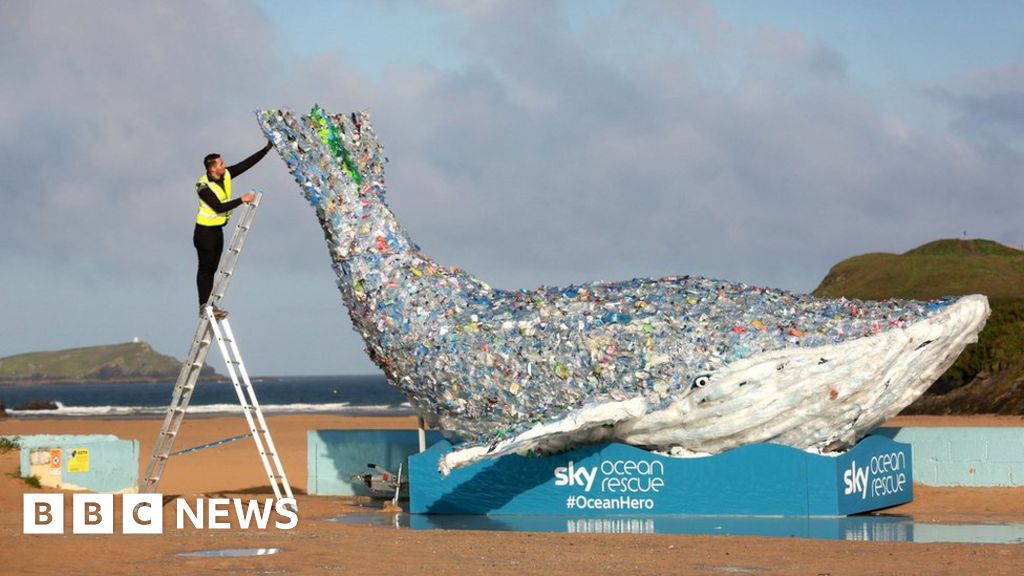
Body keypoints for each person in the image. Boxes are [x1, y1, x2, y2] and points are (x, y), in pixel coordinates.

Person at [194, 140, 274, 318]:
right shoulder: (203, 186)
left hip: (217, 230)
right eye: (221, 164)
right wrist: (241, 199)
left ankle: (211, 305)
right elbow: (218, 207)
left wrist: (266, 149)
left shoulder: (226, 174)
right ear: (212, 168)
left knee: (214, 269)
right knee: (205, 269)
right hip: (204, 232)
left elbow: (246, 164)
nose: (225, 165)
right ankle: (203, 306)